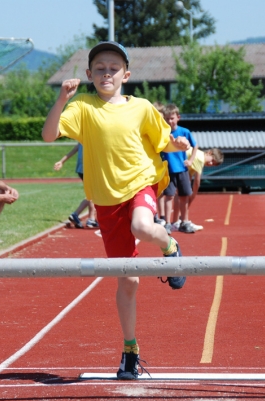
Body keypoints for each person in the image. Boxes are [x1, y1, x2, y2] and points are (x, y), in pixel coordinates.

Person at [42, 41, 191, 380]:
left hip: (141, 184)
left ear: (126, 74)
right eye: (100, 68)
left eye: (113, 67)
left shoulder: (140, 107)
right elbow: (49, 135)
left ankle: (169, 245)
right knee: (129, 281)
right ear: (89, 75)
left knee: (142, 226)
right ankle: (130, 349)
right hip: (107, 202)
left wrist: (178, 144)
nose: (106, 72)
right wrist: (62, 98)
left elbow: (162, 140)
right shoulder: (83, 107)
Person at [161, 104, 198, 233]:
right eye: (166, 119)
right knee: (169, 196)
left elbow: (195, 146)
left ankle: (185, 221)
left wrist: (191, 160)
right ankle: (167, 223)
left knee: (184, 196)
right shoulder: (163, 133)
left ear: (178, 117)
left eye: (171, 118)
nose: (169, 121)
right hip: (168, 170)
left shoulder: (184, 131)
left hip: (182, 169)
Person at [172, 147, 224, 232]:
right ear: (209, 152)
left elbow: (189, 176)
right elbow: (197, 182)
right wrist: (193, 195)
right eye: (212, 160)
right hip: (174, 163)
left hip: (177, 164)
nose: (210, 164)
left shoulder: (199, 156)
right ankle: (177, 221)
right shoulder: (200, 158)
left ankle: (178, 220)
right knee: (180, 194)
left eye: (213, 164)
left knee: (181, 193)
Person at [54, 143, 98, 228]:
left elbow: (74, 149)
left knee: (92, 194)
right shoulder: (90, 137)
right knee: (94, 194)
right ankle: (87, 218)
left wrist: (62, 161)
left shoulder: (83, 138)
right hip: (88, 170)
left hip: (82, 170)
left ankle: (83, 216)